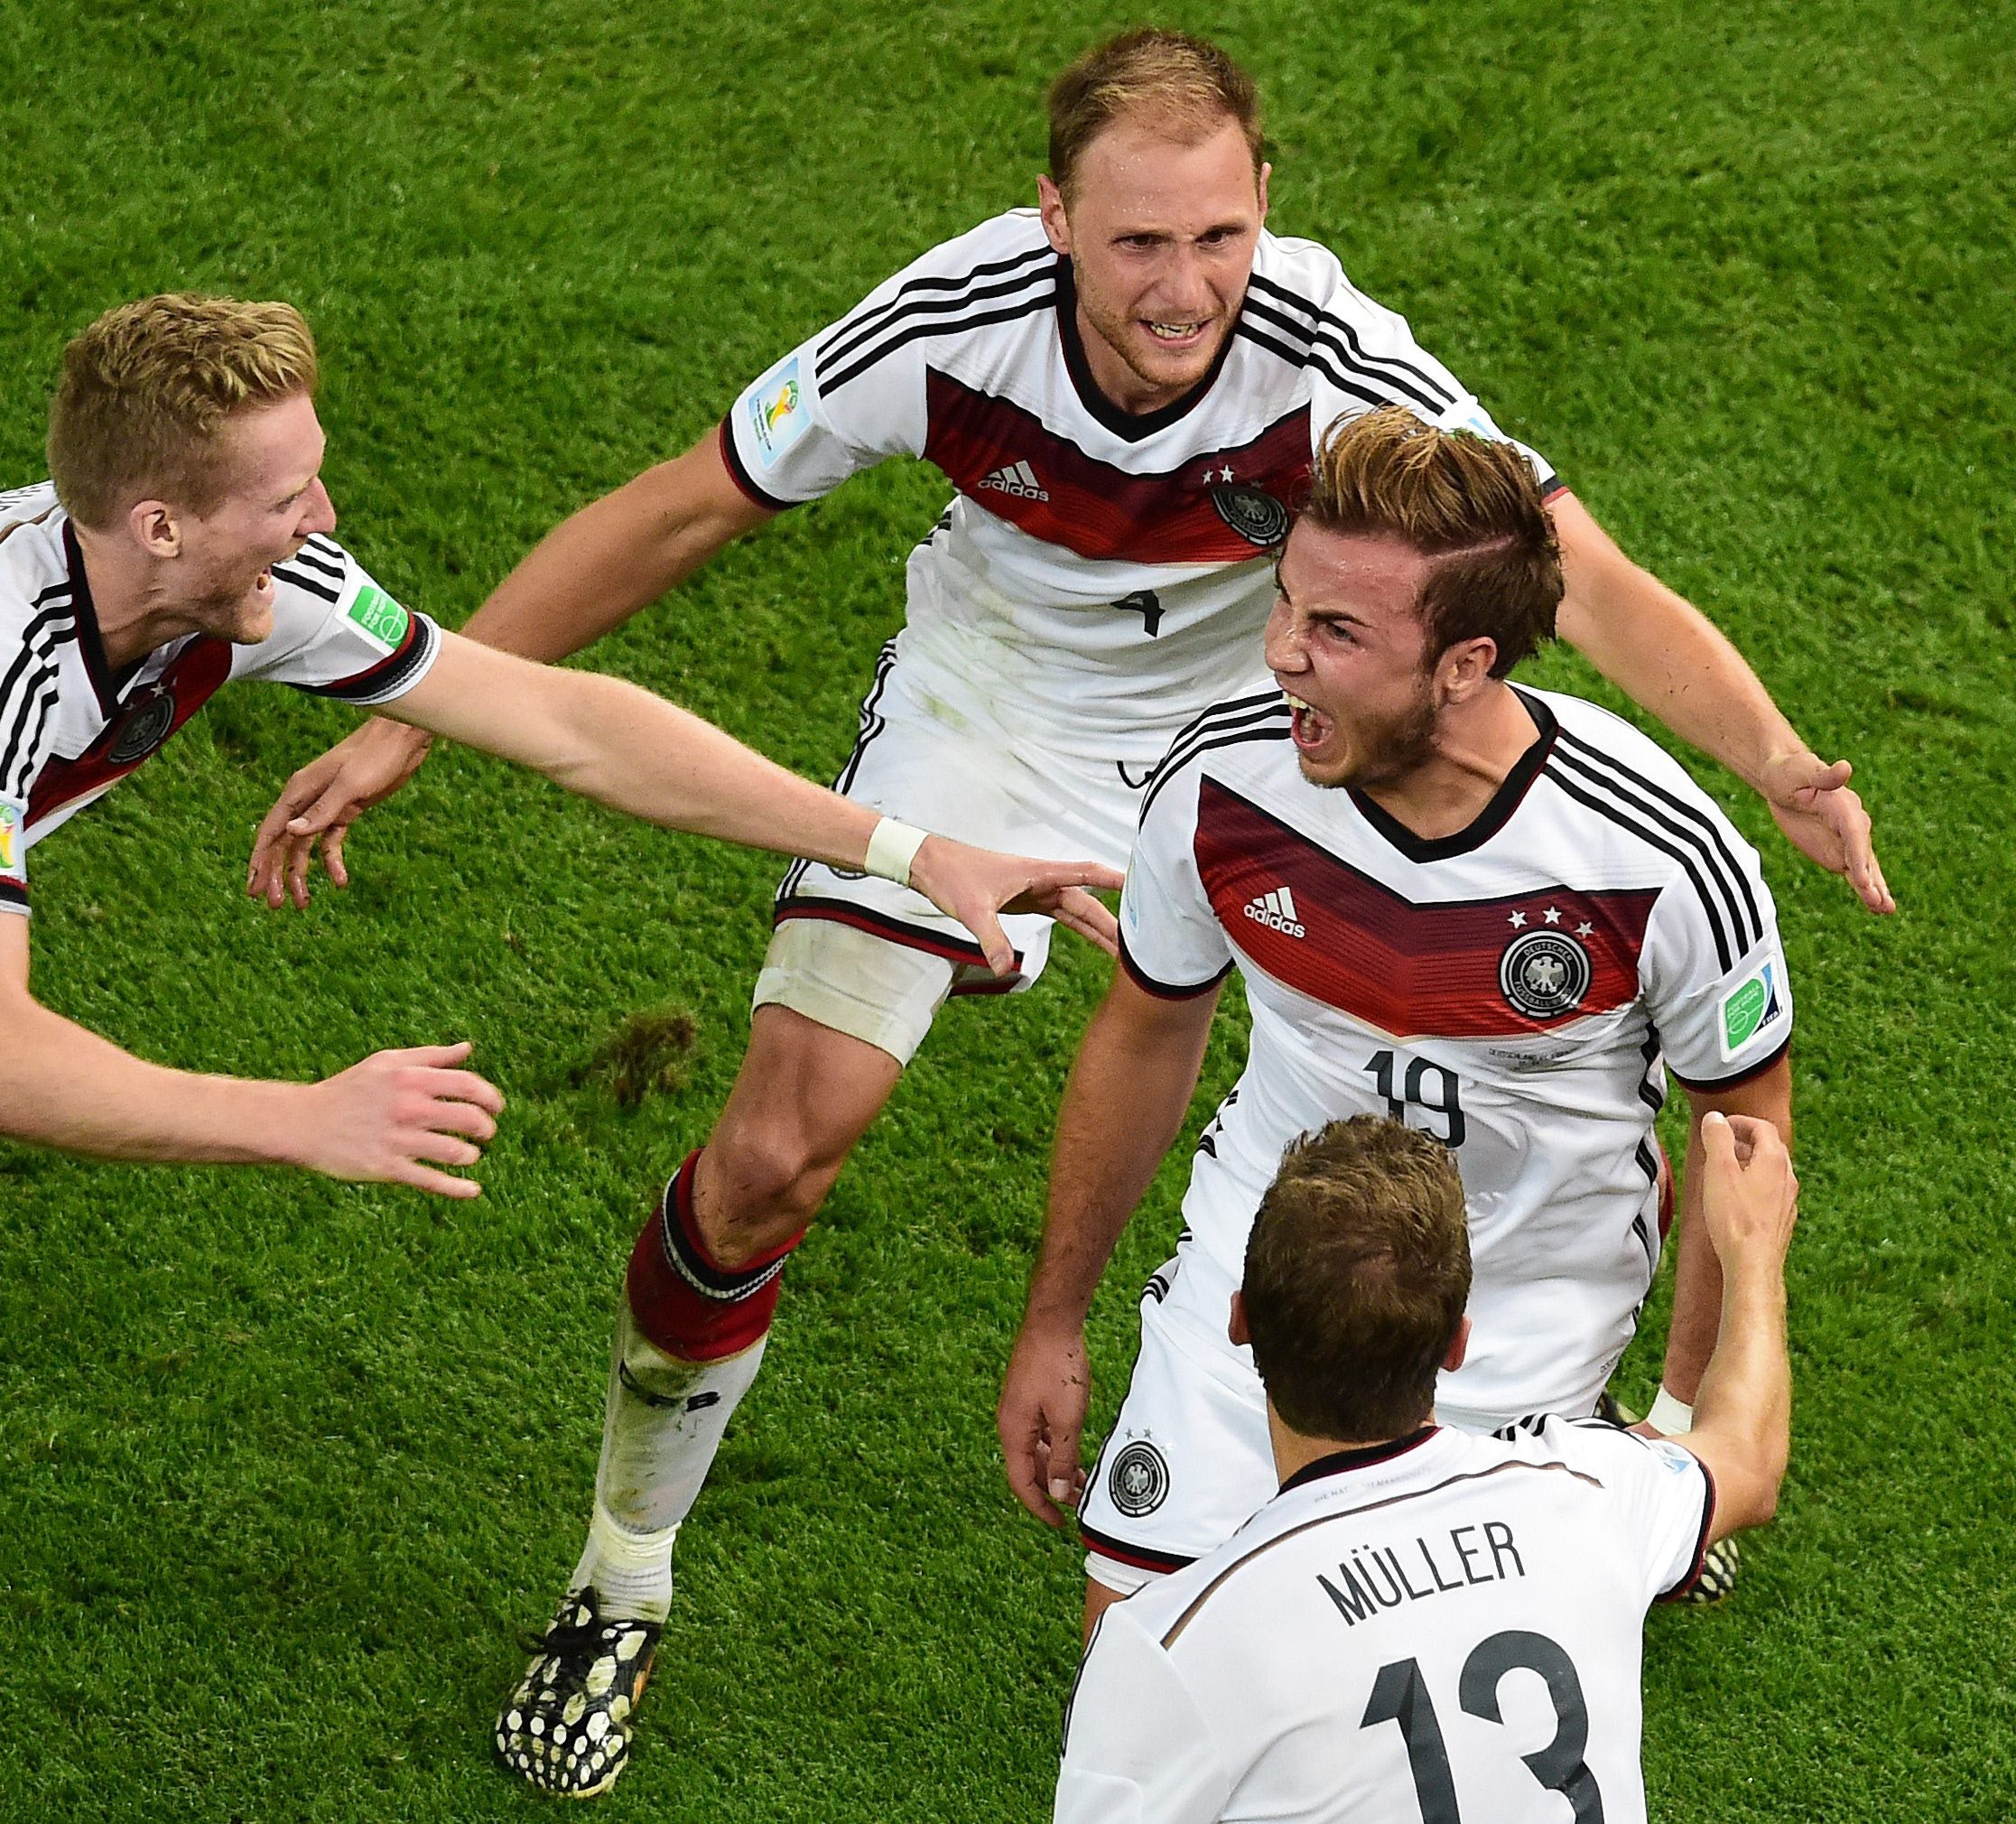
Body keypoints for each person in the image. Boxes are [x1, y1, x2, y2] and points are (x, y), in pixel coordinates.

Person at [249, 29, 1880, 1796]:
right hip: (994, 715)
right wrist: (424, 703)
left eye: (1216, 237)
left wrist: (1777, 757)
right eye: (1132, 244)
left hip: (1268, 718)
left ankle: (1481, 1467)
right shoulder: (948, 325)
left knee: (1405, 1064)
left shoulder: (1332, 354)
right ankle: (618, 1572)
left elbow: (1574, 573)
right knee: (773, 1150)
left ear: (1264, 204)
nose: (1181, 287)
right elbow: (682, 505)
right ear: (1050, 220)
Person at [0, 293, 1116, 1612]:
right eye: (286, 495)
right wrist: (300, 1118)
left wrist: (905, 849)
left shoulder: (227, 589)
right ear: (161, 520)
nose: (322, 517)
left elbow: (557, 723)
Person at [999, 408, 1794, 1639]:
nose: (1279, 655)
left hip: (1522, 1326)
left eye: (1335, 631)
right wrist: (1054, 1321)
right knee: (1138, 1671)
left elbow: (1743, 1151)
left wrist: (1681, 1427)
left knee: (1412, 1722)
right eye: (1283, 604)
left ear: (1466, 663)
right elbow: (1146, 1033)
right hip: (1259, 1291)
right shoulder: (1220, 786)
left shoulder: (1656, 857)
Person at [1054, 1108, 1796, 1821]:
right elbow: (1748, 1457)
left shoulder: (1166, 1648)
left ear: (1240, 1322)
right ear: (1456, 1345)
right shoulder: (1590, 1492)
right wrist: (1753, 1252)